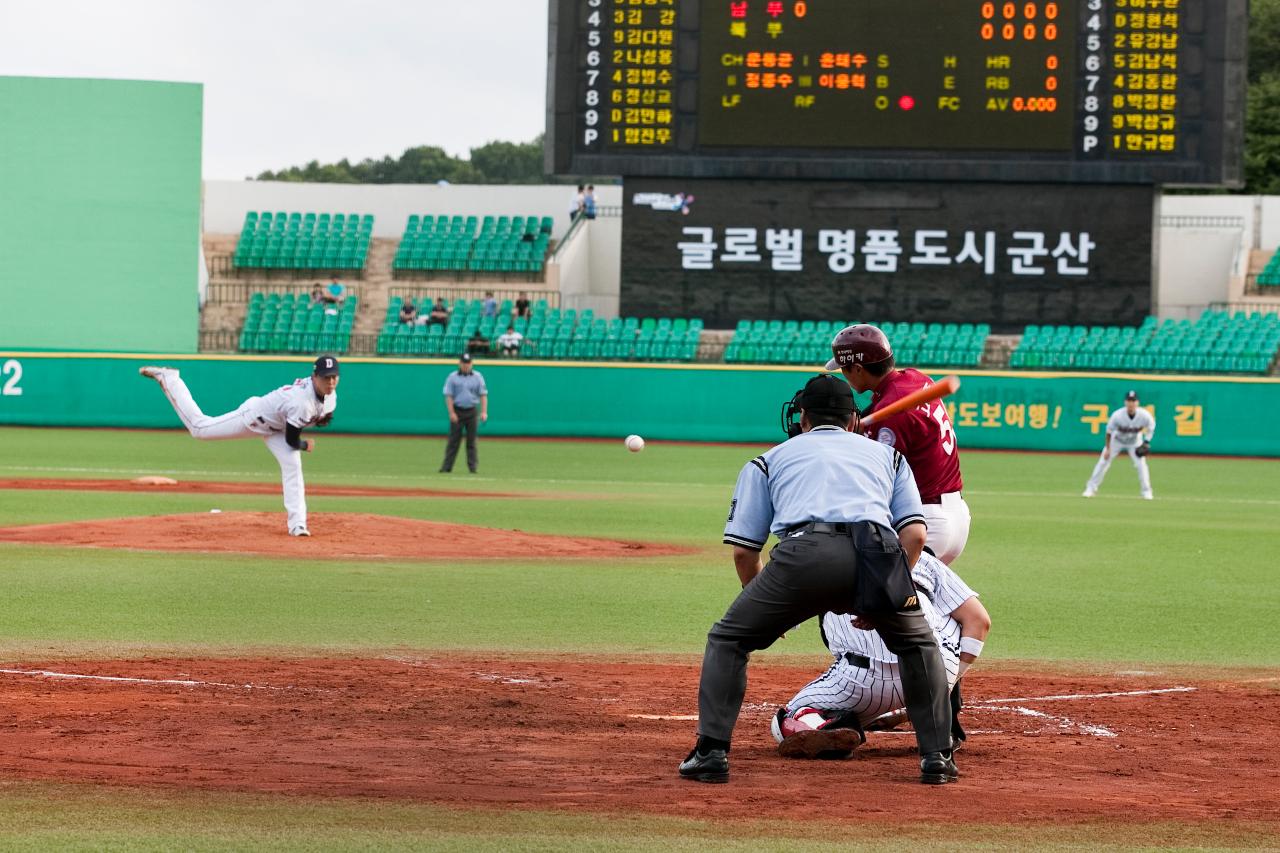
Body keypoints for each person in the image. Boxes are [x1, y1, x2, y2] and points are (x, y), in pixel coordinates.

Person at [678, 374, 956, 786]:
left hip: (803, 556)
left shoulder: (769, 459)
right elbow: (914, 535)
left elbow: (744, 550)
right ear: (853, 418)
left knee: (728, 639)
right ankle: (937, 758)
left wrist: (770, 604)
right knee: (918, 645)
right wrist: (884, 591)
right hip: (877, 554)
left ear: (803, 417)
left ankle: (711, 754)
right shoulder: (888, 457)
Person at [770, 551, 991, 759]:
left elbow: (775, 615)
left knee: (788, 717)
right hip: (933, 669)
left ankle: (832, 725)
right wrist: (944, 687)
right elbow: (980, 621)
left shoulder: (821, 558)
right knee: (949, 615)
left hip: (863, 682)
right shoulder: (923, 558)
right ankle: (935, 717)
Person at [138, 356, 339, 537]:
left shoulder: (330, 397)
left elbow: (321, 415)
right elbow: (292, 440)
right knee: (199, 429)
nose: (330, 382)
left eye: (333, 377)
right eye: (325, 378)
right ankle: (169, 378)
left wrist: (319, 419)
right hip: (254, 418)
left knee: (293, 467)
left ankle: (298, 525)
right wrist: (304, 445)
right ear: (314, 377)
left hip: (279, 427)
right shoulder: (301, 402)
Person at [826, 325, 969, 565]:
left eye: (845, 369)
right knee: (918, 597)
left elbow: (877, 480)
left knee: (880, 594)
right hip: (953, 515)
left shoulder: (891, 416)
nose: (844, 375)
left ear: (858, 368)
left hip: (924, 520)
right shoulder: (915, 378)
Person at [1083, 390, 1156, 499]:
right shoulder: (1117, 415)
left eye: (1133, 401)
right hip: (1116, 441)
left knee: (1141, 465)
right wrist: (1108, 449)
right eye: (1129, 401)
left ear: (1138, 403)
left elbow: (1151, 427)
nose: (1131, 403)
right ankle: (1091, 488)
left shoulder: (1144, 415)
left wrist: (1146, 442)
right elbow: (1108, 432)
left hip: (1135, 442)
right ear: (1125, 402)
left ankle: (1146, 492)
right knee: (1103, 462)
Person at [440, 353, 488, 474]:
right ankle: (447, 467)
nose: (466, 366)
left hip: (471, 411)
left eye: (468, 363)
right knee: (453, 441)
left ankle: (473, 468)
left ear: (471, 364)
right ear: (459, 363)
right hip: (458, 410)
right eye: (464, 363)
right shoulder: (452, 377)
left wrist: (483, 412)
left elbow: (483, 395)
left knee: (471, 441)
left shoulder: (478, 377)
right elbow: (449, 396)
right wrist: (451, 413)